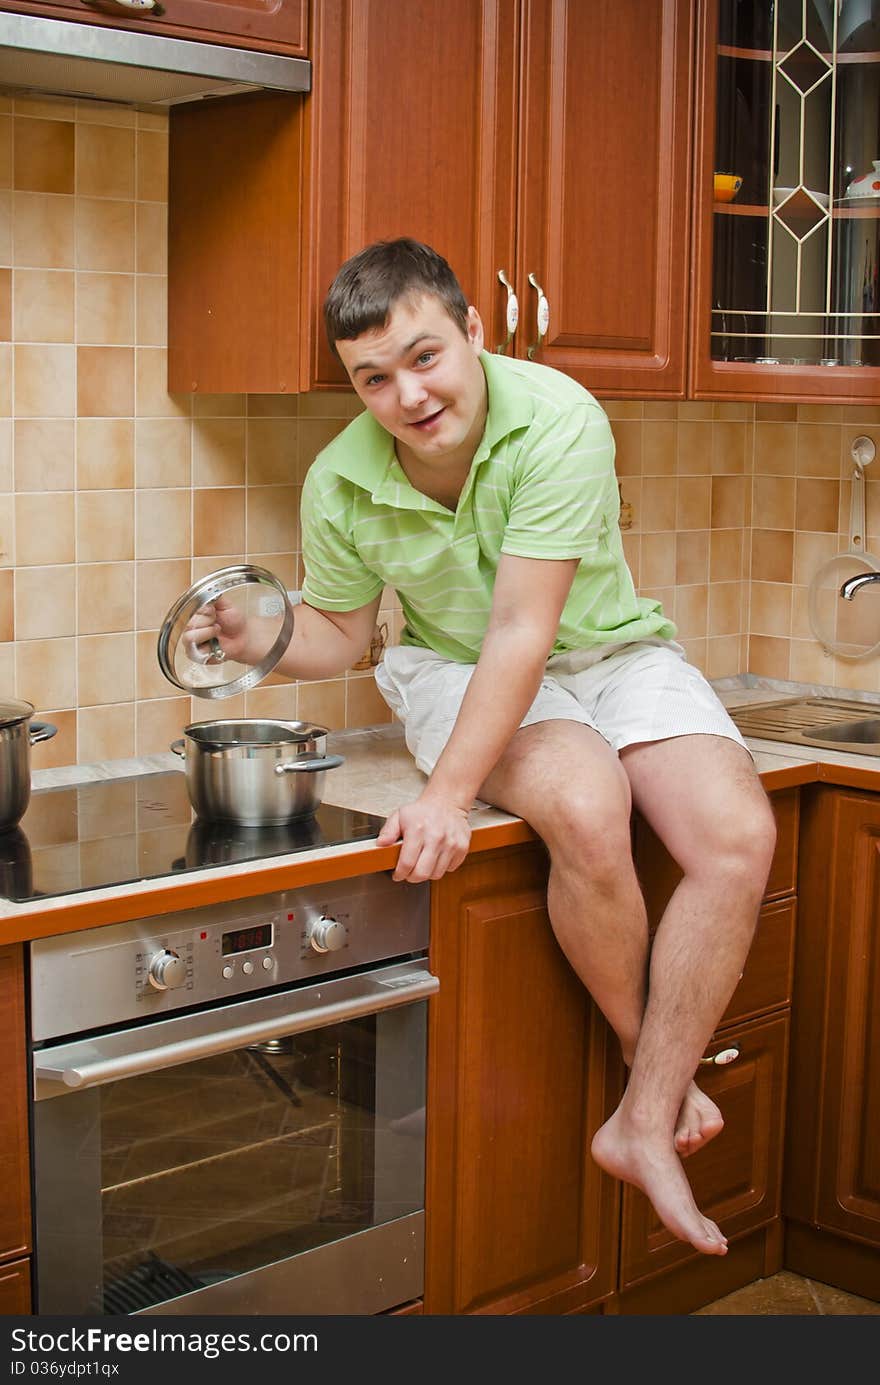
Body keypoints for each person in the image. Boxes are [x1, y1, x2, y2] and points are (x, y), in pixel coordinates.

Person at [189, 237, 777, 1258]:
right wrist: (265, 630)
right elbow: (340, 626)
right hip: (450, 668)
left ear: (472, 331)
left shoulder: (557, 418)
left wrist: (448, 797)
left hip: (606, 649)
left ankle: (638, 1113)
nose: (407, 393)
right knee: (587, 803)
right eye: (374, 377)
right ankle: (652, 1079)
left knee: (736, 834)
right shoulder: (339, 479)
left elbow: (526, 627)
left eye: (424, 356)